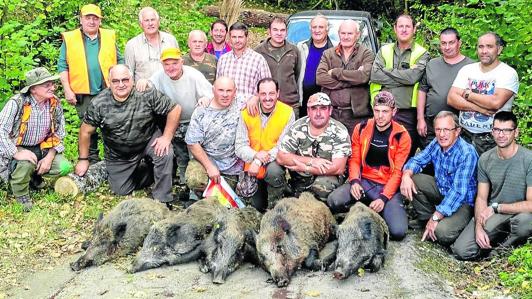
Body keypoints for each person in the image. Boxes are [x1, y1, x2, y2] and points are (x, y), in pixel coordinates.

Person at [75, 65, 182, 205]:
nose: (121, 84)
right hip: (118, 154)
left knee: (164, 152)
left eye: (125, 80)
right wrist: (83, 159)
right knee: (120, 189)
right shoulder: (99, 103)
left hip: (148, 141)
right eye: (116, 81)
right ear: (109, 82)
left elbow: (175, 109)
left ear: (132, 80)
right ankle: (151, 171)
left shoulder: (145, 94)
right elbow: (85, 131)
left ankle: (162, 198)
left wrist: (166, 137)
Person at [327, 91, 411, 240]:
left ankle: (376, 208)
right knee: (334, 201)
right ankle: (366, 207)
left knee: (398, 231)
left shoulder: (402, 135)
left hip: (387, 187)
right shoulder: (361, 128)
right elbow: (354, 159)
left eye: (385, 111)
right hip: (365, 182)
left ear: (394, 111)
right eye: (377, 111)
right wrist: (354, 182)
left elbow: (398, 171)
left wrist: (384, 198)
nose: (380, 116)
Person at [452, 111, 532, 260]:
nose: (501, 135)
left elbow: (531, 204)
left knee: (525, 223)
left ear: (516, 132)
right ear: (492, 131)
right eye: (497, 130)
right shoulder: (485, 158)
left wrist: (497, 207)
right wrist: (478, 227)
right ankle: (492, 243)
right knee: (461, 250)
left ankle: (501, 252)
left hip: (520, 212)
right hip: (495, 213)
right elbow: (481, 198)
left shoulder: (528, 159)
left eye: (506, 130)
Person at [136, 47, 213, 187]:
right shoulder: (159, 76)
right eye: (167, 64)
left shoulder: (193, 75)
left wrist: (205, 99)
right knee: (180, 156)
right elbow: (149, 84)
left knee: (195, 157)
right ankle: (184, 184)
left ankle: (197, 189)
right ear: (162, 65)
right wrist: (143, 81)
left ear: (182, 62)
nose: (171, 67)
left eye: (175, 63)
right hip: (173, 122)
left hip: (193, 122)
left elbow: (210, 94)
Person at [58, 4, 124, 164]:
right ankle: (92, 160)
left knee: (113, 126)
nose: (92, 21)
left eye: (95, 18)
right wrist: (67, 89)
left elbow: (120, 60)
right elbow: (62, 66)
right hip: (83, 93)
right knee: (88, 128)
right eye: (88, 18)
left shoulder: (109, 37)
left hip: (108, 91)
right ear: (81, 19)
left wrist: (122, 80)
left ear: (100, 21)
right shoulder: (70, 38)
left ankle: (115, 160)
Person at [400, 111, 478, 246]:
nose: (442, 134)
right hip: (442, 191)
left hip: (462, 203)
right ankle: (426, 220)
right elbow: (418, 160)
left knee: (442, 234)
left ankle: (448, 223)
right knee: (414, 179)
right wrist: (406, 175)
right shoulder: (437, 142)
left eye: (446, 129)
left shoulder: (466, 153)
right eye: (438, 129)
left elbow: (458, 192)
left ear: (457, 131)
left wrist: (437, 217)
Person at [0, 67, 72, 211]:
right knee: (26, 163)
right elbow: (1, 131)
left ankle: (33, 178)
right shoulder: (17, 103)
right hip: (18, 146)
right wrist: (16, 152)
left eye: (52, 84)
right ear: (33, 89)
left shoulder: (54, 103)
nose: (53, 87)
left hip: (42, 147)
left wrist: (50, 157)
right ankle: (20, 193)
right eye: (47, 85)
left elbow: (59, 133)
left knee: (64, 166)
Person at [447, 32, 519, 154]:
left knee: (489, 172)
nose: (484, 51)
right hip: (464, 134)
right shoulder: (467, 70)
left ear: (499, 49)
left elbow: (494, 103)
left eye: (489, 46)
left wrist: (467, 94)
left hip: (492, 137)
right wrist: (480, 109)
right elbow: (451, 98)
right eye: (481, 46)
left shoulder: (508, 73)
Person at [370, 14, 429, 157]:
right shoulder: (384, 50)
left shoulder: (422, 53)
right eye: (400, 26)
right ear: (395, 29)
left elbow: (413, 78)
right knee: (382, 153)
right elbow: (374, 75)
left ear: (414, 29)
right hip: (383, 111)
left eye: (407, 26)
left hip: (407, 113)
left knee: (404, 154)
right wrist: (404, 76)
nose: (404, 30)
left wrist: (387, 71)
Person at [277, 92, 351, 201]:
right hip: (301, 178)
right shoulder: (297, 127)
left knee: (322, 185)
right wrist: (311, 161)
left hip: (328, 178)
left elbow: (338, 168)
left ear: (330, 110)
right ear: (308, 111)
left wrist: (306, 168)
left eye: (323, 108)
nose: (318, 113)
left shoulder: (340, 131)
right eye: (314, 108)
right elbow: (281, 157)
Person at [235, 78, 295, 211]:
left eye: (271, 93)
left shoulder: (287, 112)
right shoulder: (245, 113)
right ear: (258, 94)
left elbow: (283, 146)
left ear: (278, 93)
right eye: (263, 94)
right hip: (251, 166)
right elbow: (239, 146)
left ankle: (275, 206)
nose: (268, 98)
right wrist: (255, 156)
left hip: (272, 162)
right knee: (256, 208)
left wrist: (259, 161)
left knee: (274, 172)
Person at [185, 77, 246, 195]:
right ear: (213, 90)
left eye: (229, 91)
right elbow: (192, 143)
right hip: (208, 161)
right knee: (195, 179)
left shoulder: (241, 102)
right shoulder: (202, 111)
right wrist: (209, 167)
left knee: (233, 202)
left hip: (234, 166)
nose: (225, 95)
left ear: (235, 91)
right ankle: (200, 194)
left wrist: (254, 99)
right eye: (221, 90)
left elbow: (263, 98)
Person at [417, 28, 474, 148]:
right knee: (429, 162)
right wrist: (420, 118)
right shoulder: (432, 64)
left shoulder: (471, 66)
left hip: (460, 130)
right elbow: (422, 90)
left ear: (459, 43)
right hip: (432, 128)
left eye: (451, 42)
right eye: (443, 43)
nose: (447, 47)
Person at [316, 19, 374, 135]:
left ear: (357, 35)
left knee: (355, 150)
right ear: (339, 34)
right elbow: (320, 78)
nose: (346, 37)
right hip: (331, 113)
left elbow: (363, 77)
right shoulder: (328, 54)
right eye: (343, 33)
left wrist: (336, 72)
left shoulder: (367, 54)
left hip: (356, 115)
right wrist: (351, 81)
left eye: (350, 33)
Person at [255, 18, 300, 115]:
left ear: (286, 32)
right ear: (269, 31)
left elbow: (298, 75)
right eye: (275, 30)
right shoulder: (259, 51)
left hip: (290, 104)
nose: (279, 33)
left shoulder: (294, 51)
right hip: (267, 105)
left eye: (282, 30)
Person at [216, 22, 271, 100]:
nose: (237, 40)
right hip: (226, 109)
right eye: (234, 37)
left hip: (249, 109)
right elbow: (218, 86)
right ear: (229, 38)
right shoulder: (223, 60)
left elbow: (267, 87)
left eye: (240, 37)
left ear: (247, 38)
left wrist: (256, 98)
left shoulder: (258, 60)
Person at [124, 7, 179, 81]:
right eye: (146, 20)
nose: (150, 23)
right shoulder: (132, 45)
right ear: (141, 24)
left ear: (158, 22)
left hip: (169, 90)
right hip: (144, 91)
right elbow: (129, 74)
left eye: (153, 20)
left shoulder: (171, 40)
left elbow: (178, 66)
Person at [297, 15, 333, 117]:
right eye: (314, 27)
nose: (317, 30)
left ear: (327, 29)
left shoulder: (335, 49)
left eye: (321, 27)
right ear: (310, 29)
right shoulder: (301, 47)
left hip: (326, 104)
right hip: (304, 103)